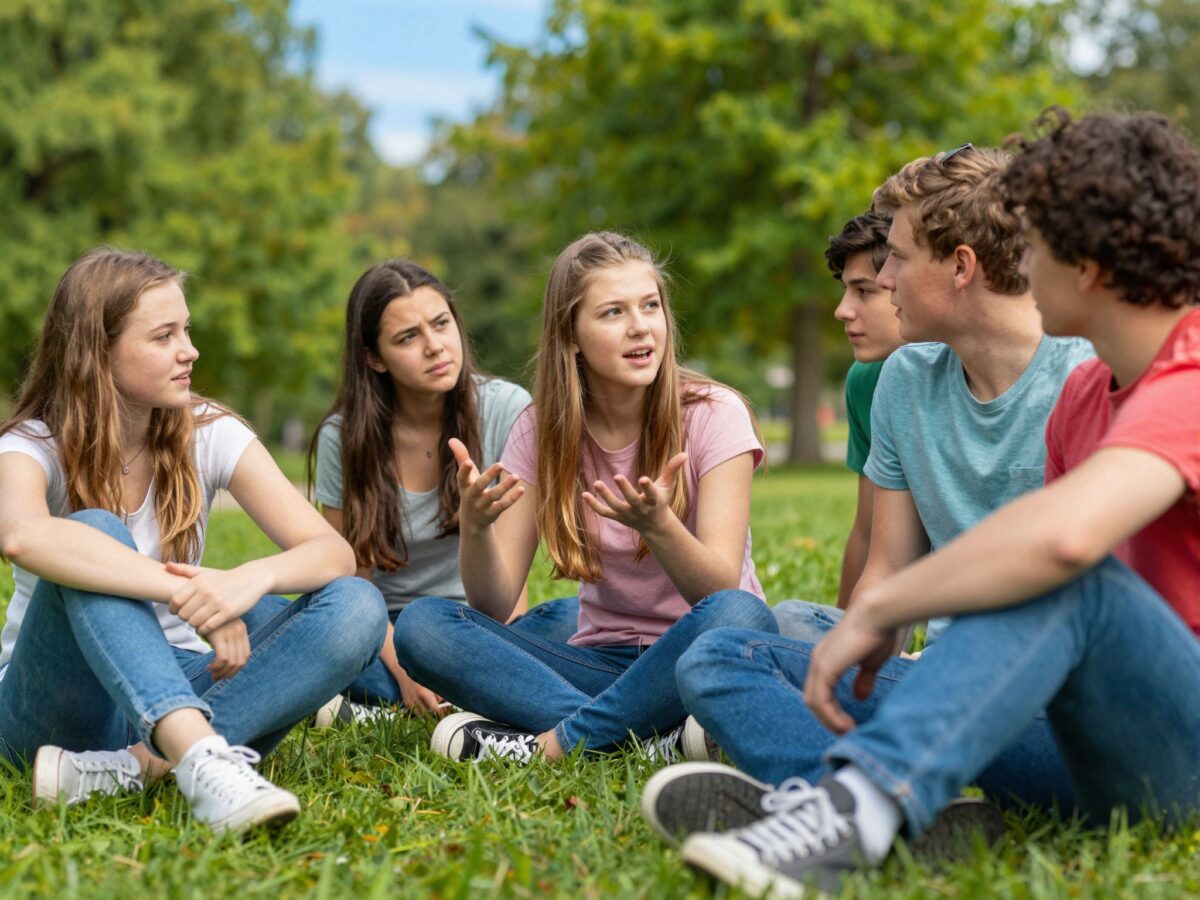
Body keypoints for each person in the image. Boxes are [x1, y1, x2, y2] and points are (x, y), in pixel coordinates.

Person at [648, 110, 1200, 898]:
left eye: (1038, 240)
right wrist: (877, 619)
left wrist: (884, 610)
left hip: (1180, 749)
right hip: (1075, 746)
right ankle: (869, 808)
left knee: (1057, 573)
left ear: (1089, 266)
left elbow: (1065, 546)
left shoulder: (1191, 373)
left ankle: (853, 812)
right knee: (730, 653)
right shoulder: (1083, 396)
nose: (1023, 257)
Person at [0, 248, 386, 832]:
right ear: (97, 352)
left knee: (358, 604)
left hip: (177, 681)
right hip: (54, 707)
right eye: (163, 336)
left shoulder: (210, 432)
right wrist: (184, 593)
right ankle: (204, 760)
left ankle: (134, 768)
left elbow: (333, 553)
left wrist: (244, 582)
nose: (190, 351)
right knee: (94, 533)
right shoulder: (32, 444)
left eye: (187, 330)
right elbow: (22, 536)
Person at [392, 231, 778, 764]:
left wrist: (660, 527)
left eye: (650, 306)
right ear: (570, 335)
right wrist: (477, 528)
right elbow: (493, 605)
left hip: (699, 651)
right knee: (422, 628)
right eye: (613, 312)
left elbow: (717, 591)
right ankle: (644, 739)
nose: (641, 325)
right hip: (599, 659)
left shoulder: (715, 413)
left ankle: (558, 743)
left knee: (743, 616)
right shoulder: (540, 431)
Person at [309, 260, 577, 721]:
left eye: (441, 324)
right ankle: (469, 698)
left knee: (578, 619)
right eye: (408, 337)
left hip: (481, 626)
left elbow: (510, 595)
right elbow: (350, 584)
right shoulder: (343, 437)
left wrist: (470, 653)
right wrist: (405, 667)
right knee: (278, 618)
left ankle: (371, 707)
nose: (435, 346)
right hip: (384, 640)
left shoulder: (507, 408)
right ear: (374, 358)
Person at [774, 211, 903, 640]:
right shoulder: (865, 381)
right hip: (903, 606)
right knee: (784, 622)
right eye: (846, 290)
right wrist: (840, 641)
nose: (842, 311)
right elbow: (868, 536)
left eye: (864, 291)